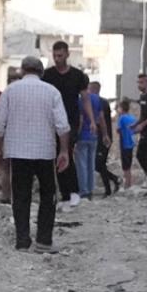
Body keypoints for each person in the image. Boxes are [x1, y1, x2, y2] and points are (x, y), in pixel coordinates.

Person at [0, 55, 70, 252]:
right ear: (41, 72)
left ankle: (22, 240)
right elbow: (62, 125)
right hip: (45, 152)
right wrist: (64, 151)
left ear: (22, 70)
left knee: (20, 196)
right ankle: (44, 240)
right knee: (48, 195)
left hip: (18, 152)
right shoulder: (52, 91)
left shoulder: (10, 91)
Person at [42, 41, 90, 207]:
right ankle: (65, 194)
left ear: (67, 54)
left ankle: (74, 191)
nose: (57, 59)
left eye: (60, 55)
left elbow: (85, 99)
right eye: (54, 56)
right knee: (57, 155)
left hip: (71, 122)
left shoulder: (77, 75)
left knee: (67, 152)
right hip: (52, 122)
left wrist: (91, 120)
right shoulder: (47, 75)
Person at [88, 81, 122, 196]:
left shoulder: (100, 102)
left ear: (94, 89)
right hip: (100, 137)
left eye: (89, 89)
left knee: (98, 163)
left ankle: (111, 186)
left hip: (103, 138)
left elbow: (100, 119)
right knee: (99, 164)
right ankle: (112, 183)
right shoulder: (102, 102)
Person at [74, 84, 99, 199]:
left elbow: (80, 119)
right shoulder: (96, 99)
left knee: (82, 165)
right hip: (93, 135)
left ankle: (84, 190)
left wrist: (76, 136)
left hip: (83, 135)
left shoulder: (80, 100)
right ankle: (91, 189)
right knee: (91, 164)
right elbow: (101, 117)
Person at [115, 98, 138, 189]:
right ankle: (129, 182)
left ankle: (127, 184)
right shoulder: (132, 118)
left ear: (121, 108)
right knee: (129, 163)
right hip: (131, 143)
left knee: (125, 165)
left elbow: (118, 130)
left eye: (119, 108)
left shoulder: (122, 118)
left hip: (124, 143)